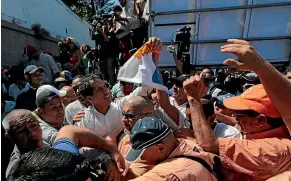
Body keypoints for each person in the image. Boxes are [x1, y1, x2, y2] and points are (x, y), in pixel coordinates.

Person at [183, 61, 291, 180]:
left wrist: (193, 99)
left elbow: (208, 145)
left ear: (260, 121)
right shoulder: (270, 133)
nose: (234, 115)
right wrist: (216, 115)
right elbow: (234, 122)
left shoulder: (270, 149)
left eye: (239, 113)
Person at [3, 110, 125, 181]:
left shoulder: (50, 147)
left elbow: (69, 131)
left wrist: (110, 152)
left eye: (34, 126)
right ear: (10, 137)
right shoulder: (16, 173)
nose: (32, 134)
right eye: (21, 131)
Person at [124, 117, 217, 181]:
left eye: (142, 153)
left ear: (160, 148)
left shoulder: (170, 172)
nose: (142, 157)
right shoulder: (186, 144)